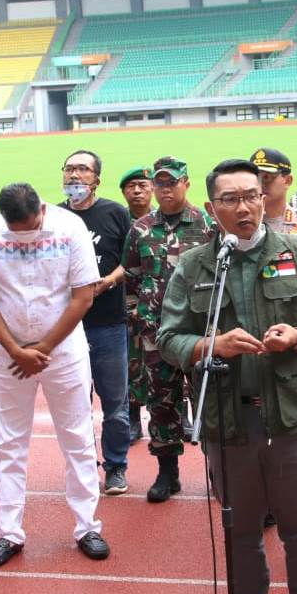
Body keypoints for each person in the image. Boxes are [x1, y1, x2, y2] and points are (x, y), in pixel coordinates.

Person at [157, 158, 297, 594]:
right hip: (229, 420)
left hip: (291, 416)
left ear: (263, 199)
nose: (244, 208)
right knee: (240, 531)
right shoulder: (195, 265)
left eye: (251, 196)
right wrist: (211, 345)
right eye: (230, 199)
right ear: (211, 207)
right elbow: (167, 338)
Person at [0, 182, 109, 568]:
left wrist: (42, 349)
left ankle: (87, 527)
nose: (24, 237)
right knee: (8, 442)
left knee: (77, 437)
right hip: (6, 352)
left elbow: (84, 295)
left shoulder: (69, 227)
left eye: (30, 228)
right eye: (17, 231)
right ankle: (8, 532)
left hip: (62, 352)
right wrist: (16, 350)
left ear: (41, 211)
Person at [123, 156, 215, 502]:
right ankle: (167, 474)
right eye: (159, 183)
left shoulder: (206, 224)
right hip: (155, 333)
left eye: (171, 182)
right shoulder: (142, 228)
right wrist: (136, 317)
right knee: (162, 403)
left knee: (208, 401)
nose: (165, 189)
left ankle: (217, 472)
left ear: (185, 184)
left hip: (198, 332)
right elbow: (130, 278)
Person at [60, 150, 132, 495]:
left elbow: (131, 261)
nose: (75, 176)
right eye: (70, 169)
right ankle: (85, 468)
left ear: (96, 179)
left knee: (115, 402)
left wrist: (109, 281)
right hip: (66, 326)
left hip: (108, 325)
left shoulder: (116, 213)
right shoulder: (54, 217)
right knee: (74, 403)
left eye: (83, 170)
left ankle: (116, 467)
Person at [119, 165, 154, 443]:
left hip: (160, 303)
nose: (137, 190)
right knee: (131, 363)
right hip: (127, 302)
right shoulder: (119, 220)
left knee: (169, 361)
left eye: (143, 185)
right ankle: (132, 418)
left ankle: (183, 415)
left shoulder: (162, 219)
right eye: (131, 186)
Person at [250, 147, 297, 234]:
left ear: (287, 181)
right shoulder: (241, 222)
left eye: (267, 177)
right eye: (255, 178)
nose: (260, 184)